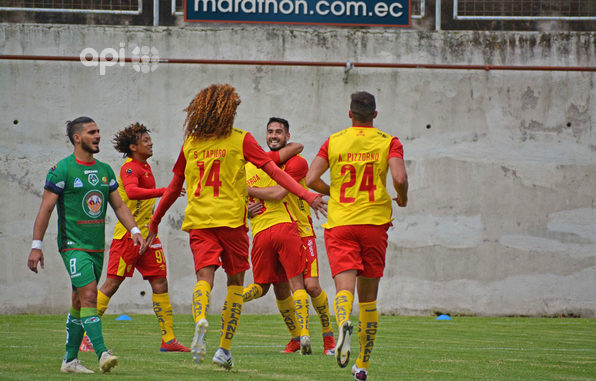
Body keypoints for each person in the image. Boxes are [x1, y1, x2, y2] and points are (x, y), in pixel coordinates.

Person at [143, 84, 326, 369]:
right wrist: (308, 194)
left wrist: (154, 222)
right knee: (236, 283)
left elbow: (173, 188)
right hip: (232, 222)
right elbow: (276, 173)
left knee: (204, 278)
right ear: (228, 111)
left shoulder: (190, 143)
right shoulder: (240, 139)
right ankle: (224, 349)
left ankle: (201, 317)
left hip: (200, 221)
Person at [27, 117, 146, 374]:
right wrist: (36, 246)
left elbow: (119, 205)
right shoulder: (62, 170)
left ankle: (70, 361)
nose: (98, 136)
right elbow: (46, 209)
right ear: (77, 137)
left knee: (79, 301)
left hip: (96, 248)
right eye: (92, 132)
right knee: (90, 295)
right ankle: (102, 353)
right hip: (72, 245)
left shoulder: (104, 170)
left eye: (99, 131)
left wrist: (134, 230)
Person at [306, 92, 408, 381]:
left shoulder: (334, 140)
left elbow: (311, 179)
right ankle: (362, 365)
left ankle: (342, 323)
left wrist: (334, 192)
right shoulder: (390, 141)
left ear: (350, 114)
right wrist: (402, 198)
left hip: (341, 223)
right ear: (375, 115)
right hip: (374, 223)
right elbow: (400, 178)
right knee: (369, 300)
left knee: (344, 288)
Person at [85, 123, 188, 353]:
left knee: (160, 282)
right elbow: (131, 192)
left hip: (149, 237)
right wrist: (164, 190)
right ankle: (86, 337)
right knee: (111, 285)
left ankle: (169, 340)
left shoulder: (146, 166)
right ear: (133, 147)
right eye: (145, 140)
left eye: (149, 139)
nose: (150, 143)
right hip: (128, 238)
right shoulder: (129, 168)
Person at [242, 117, 336, 355]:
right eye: (270, 132)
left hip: (301, 230)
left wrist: (246, 191)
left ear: (287, 135)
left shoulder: (297, 163)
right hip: (276, 230)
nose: (274, 136)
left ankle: (328, 338)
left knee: (312, 286)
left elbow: (279, 192)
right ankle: (296, 338)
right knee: (280, 290)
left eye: (279, 132)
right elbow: (249, 200)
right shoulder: (259, 165)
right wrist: (248, 211)